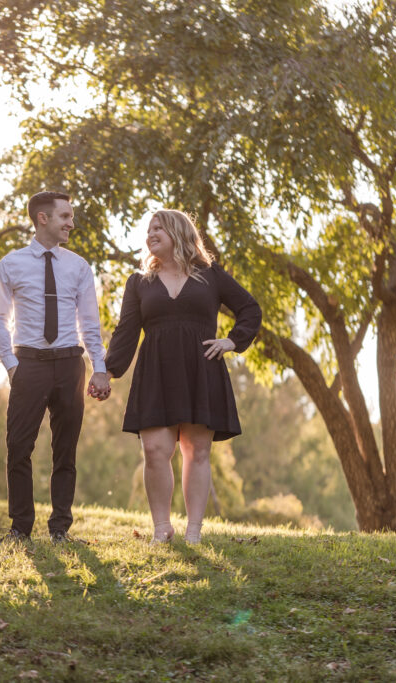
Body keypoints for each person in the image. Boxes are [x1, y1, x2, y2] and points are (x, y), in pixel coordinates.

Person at [103, 209, 262, 544]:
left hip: (200, 369)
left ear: (179, 232)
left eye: (158, 227)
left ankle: (193, 530)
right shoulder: (139, 283)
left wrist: (232, 341)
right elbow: (126, 332)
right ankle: (162, 528)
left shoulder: (211, 276)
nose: (151, 234)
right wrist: (106, 370)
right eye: (148, 230)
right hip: (156, 372)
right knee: (155, 450)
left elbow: (250, 308)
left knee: (197, 451)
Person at [0, 191, 112, 544]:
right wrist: (12, 366)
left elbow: (90, 323)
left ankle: (60, 529)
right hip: (28, 365)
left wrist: (99, 368)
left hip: (70, 365)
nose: (71, 223)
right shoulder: (11, 264)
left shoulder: (78, 266)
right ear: (43, 219)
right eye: (65, 216)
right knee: (18, 447)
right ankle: (19, 529)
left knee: (65, 450)